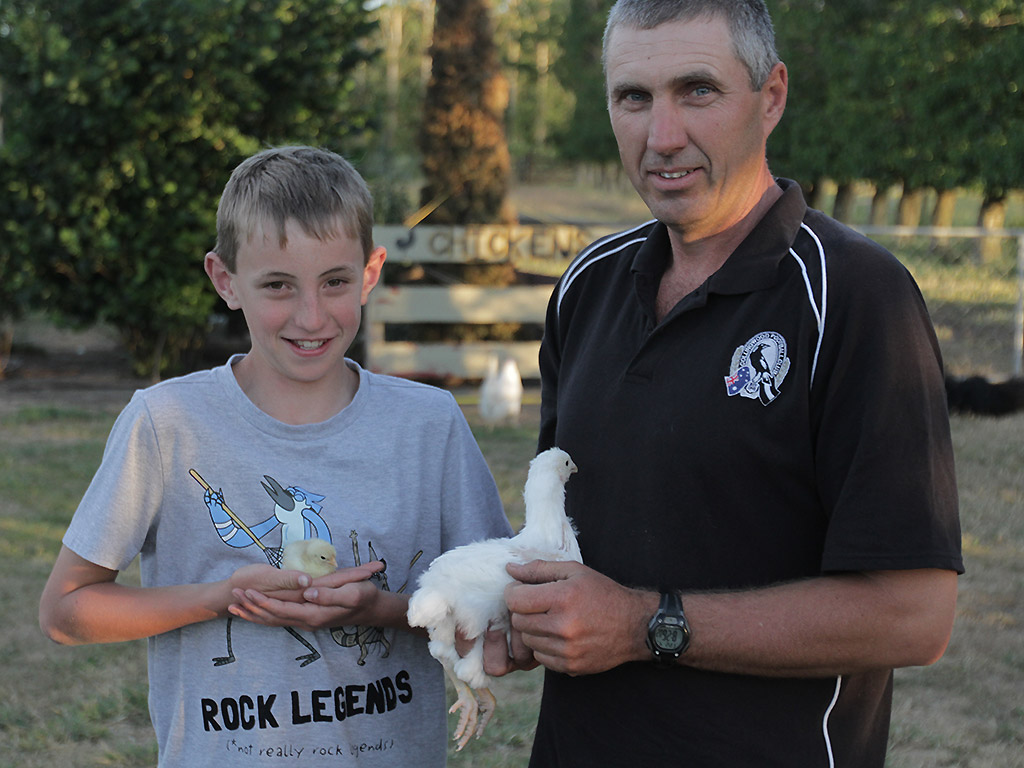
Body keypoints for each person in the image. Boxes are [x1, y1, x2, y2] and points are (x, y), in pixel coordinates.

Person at [486, 2, 963, 766]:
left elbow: (914, 616)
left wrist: (645, 625)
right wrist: (503, 613)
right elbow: (565, 535)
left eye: (697, 90)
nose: (662, 136)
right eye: (633, 97)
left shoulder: (855, 296)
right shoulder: (587, 286)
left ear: (770, 97)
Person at [38, 146, 512, 767]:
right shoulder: (165, 424)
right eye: (278, 286)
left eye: (335, 282)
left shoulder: (430, 425)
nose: (311, 316)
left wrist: (384, 611)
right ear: (225, 280)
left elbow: (501, 633)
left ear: (371, 273)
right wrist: (223, 596)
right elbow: (66, 611)